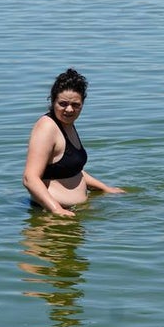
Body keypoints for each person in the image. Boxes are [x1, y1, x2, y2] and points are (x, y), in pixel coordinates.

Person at [23, 69, 125, 216]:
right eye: (63, 103)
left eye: (75, 105)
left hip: (70, 215)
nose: (69, 109)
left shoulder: (67, 125)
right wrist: (57, 209)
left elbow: (72, 170)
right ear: (52, 101)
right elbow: (30, 178)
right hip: (50, 217)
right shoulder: (47, 127)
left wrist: (105, 188)